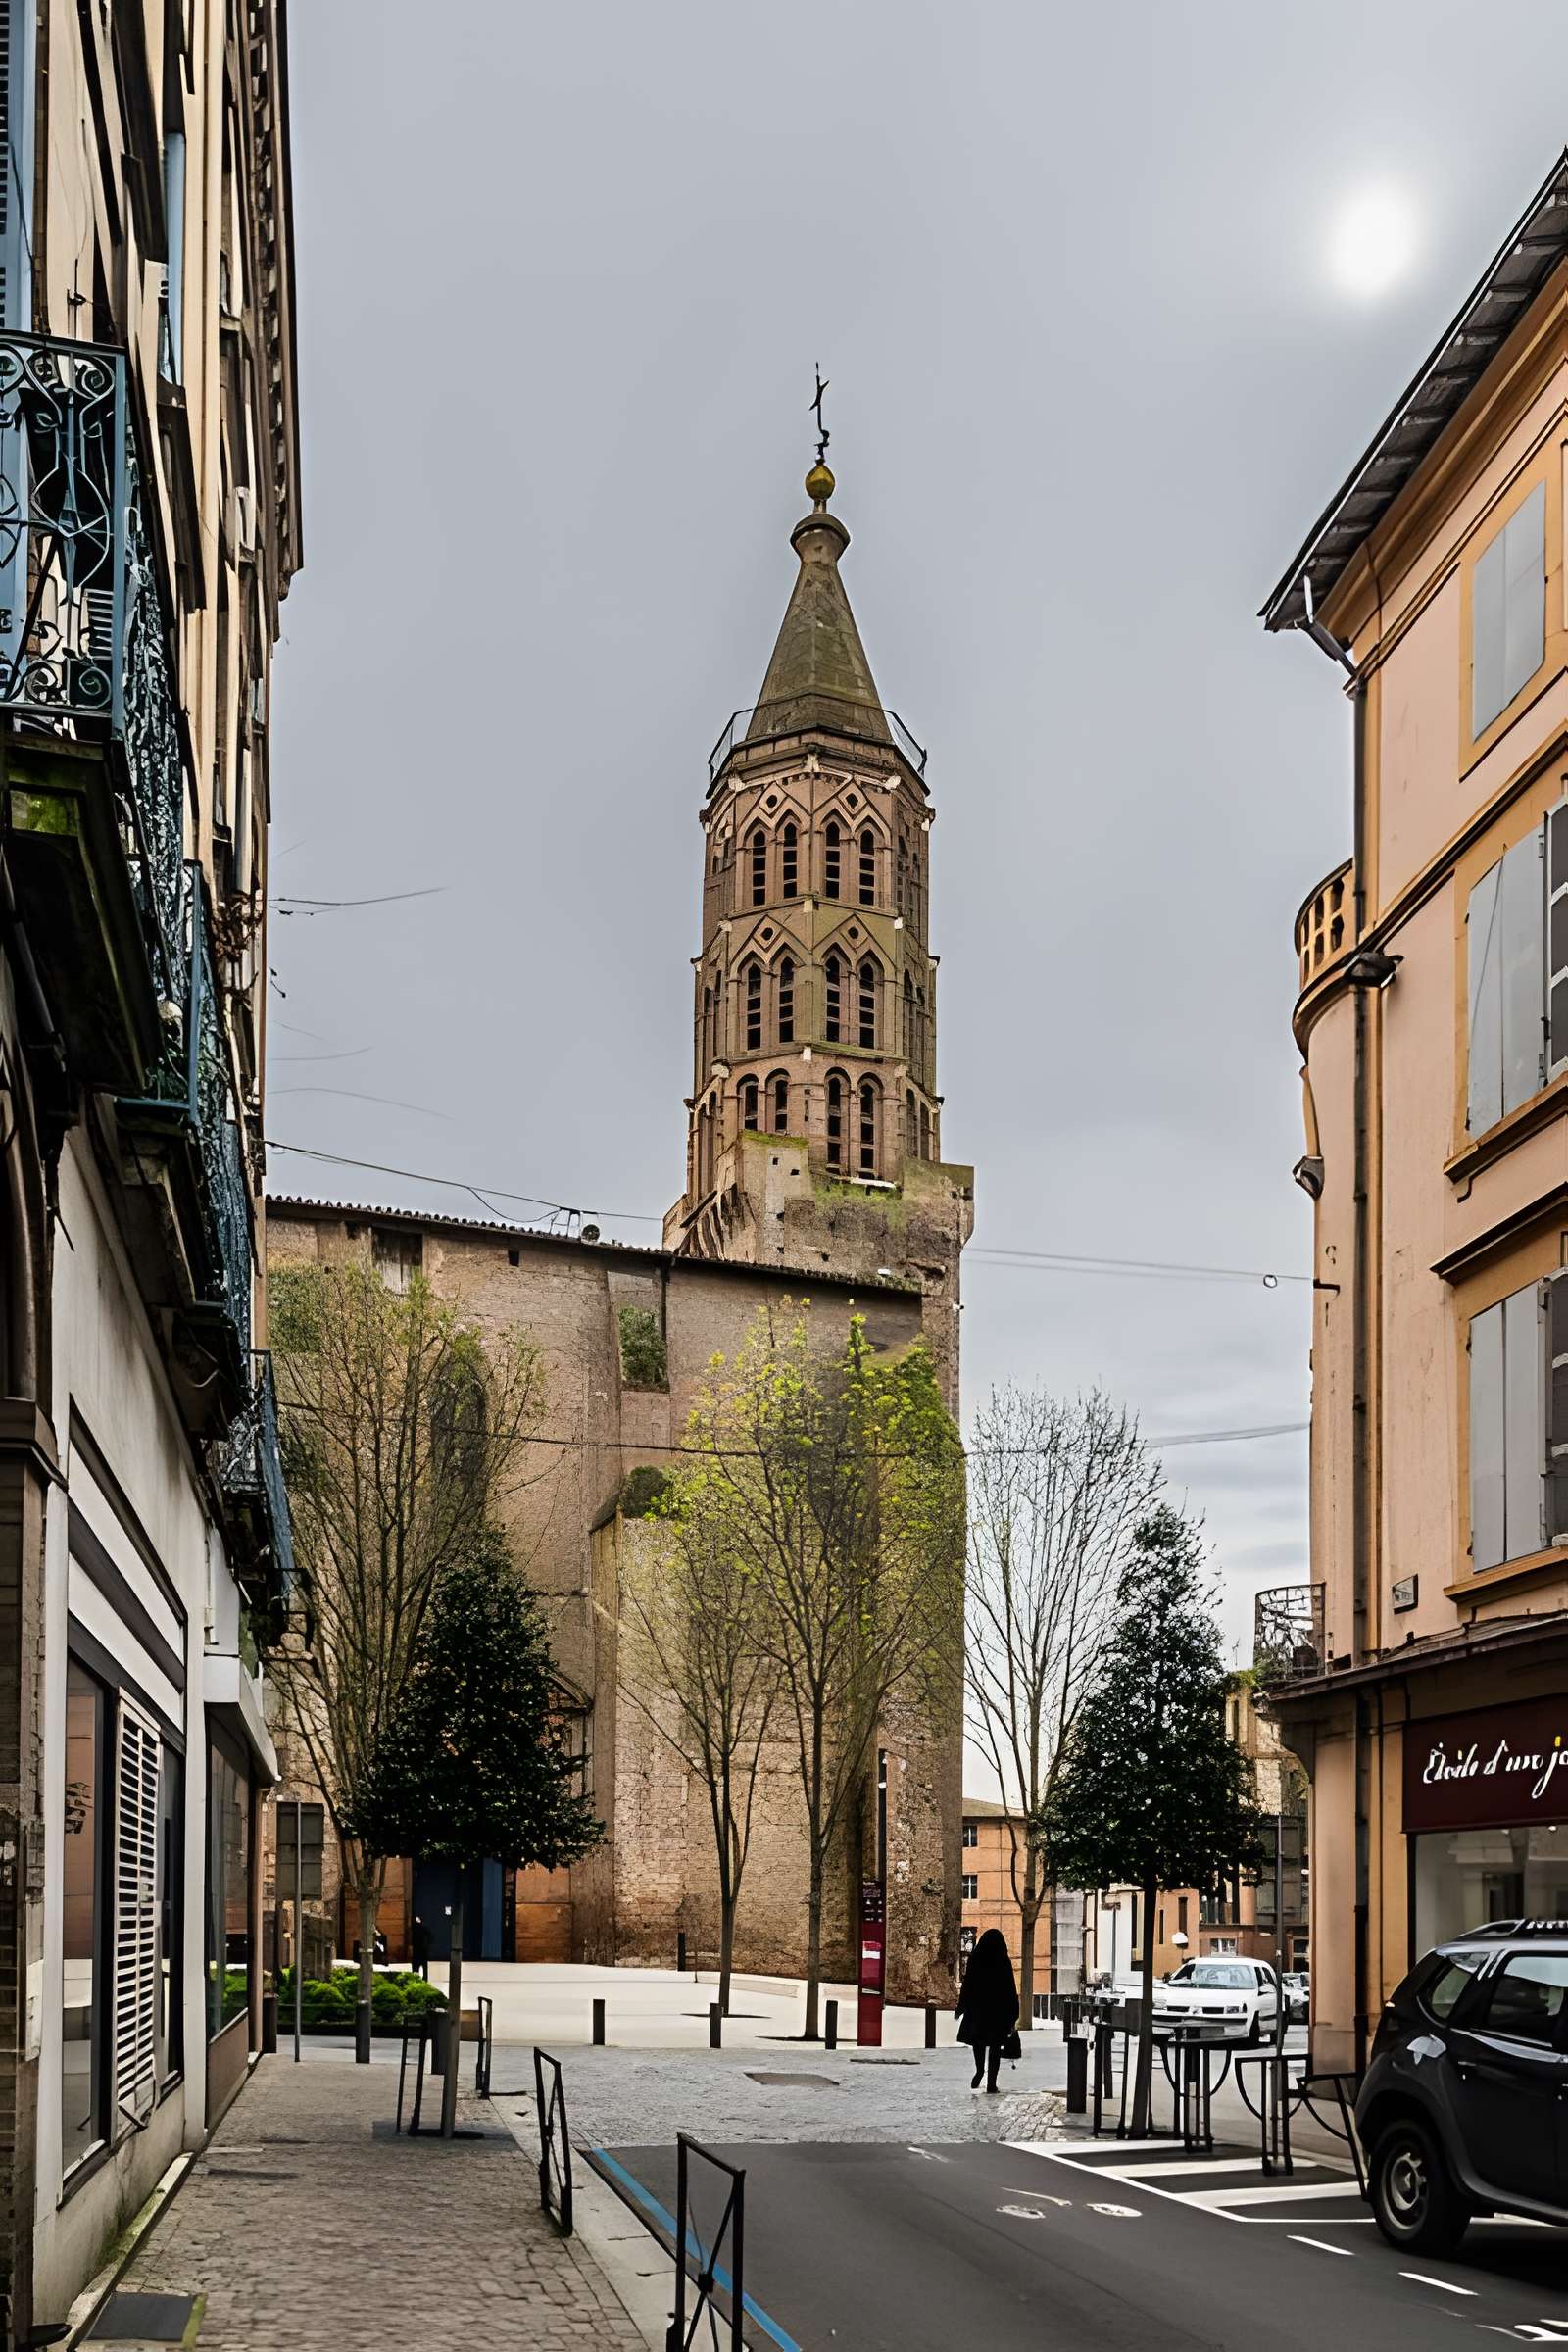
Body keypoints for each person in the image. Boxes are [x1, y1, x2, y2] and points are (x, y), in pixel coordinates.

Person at [956, 1927, 1019, 2092]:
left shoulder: (975, 1960)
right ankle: (991, 2083)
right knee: (995, 2047)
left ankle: (979, 2070)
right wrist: (1013, 2013)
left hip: (977, 2010)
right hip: (998, 2012)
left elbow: (967, 1985)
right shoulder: (1003, 1961)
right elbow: (1010, 1988)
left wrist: (961, 2007)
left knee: (979, 2043)